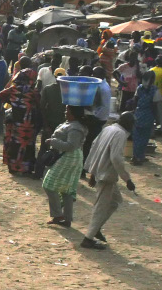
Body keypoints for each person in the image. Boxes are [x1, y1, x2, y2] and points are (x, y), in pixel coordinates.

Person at [81, 112, 136, 249]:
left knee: (115, 201)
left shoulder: (108, 128)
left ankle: (96, 227)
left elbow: (94, 146)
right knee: (101, 206)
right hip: (106, 174)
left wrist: (92, 172)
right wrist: (127, 179)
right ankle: (88, 238)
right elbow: (116, 158)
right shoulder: (120, 134)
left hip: (100, 171)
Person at [42, 106, 88, 228]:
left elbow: (70, 146)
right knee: (67, 189)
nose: (65, 112)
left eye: (68, 110)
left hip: (69, 157)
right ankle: (67, 219)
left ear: (74, 114)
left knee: (49, 184)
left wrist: (52, 142)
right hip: (68, 157)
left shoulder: (76, 128)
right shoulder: (72, 124)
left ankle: (58, 215)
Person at [0, 68, 41, 175]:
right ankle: (24, 169)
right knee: (26, 145)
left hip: (13, 121)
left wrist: (12, 102)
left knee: (13, 144)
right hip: (27, 124)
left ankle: (12, 167)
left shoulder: (13, 89)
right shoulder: (33, 92)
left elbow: (1, 94)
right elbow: (39, 104)